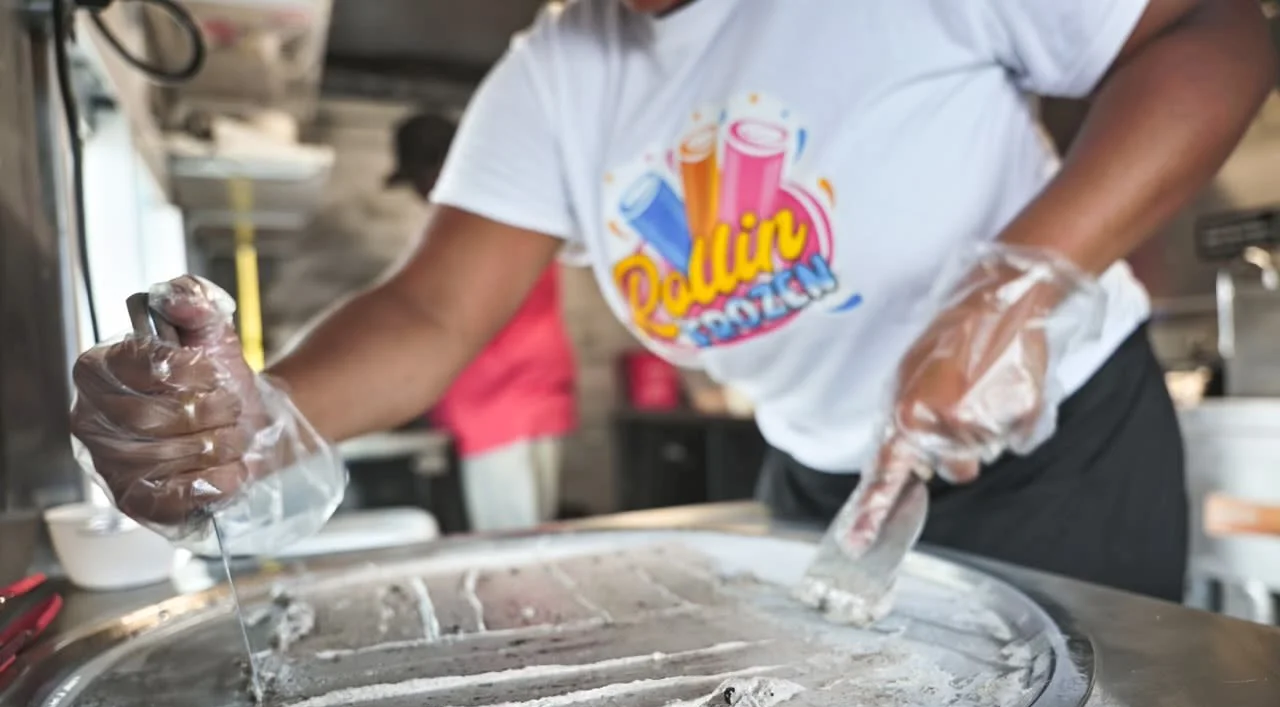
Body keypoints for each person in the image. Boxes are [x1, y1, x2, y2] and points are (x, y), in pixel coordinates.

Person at [70, 0, 1274, 604]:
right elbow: (431, 312)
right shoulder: (558, 71)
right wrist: (247, 417)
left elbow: (1213, 32)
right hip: (824, 482)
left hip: (1057, 454)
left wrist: (1020, 282)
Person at [385, 114, 577, 531]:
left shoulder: (466, 229)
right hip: (535, 394)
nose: (420, 195)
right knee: (535, 536)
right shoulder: (516, 209)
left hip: (495, 408)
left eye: (419, 181)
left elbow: (434, 321)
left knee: (511, 550)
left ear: (440, 171)